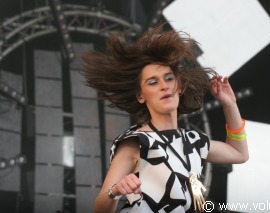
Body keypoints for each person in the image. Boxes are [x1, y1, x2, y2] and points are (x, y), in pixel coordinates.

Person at [81, 23, 249, 213]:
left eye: (169, 78)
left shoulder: (193, 141)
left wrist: (229, 104)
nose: (164, 86)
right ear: (140, 95)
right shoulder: (137, 142)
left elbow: (239, 154)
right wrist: (115, 191)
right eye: (153, 82)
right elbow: (100, 208)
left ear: (179, 86)